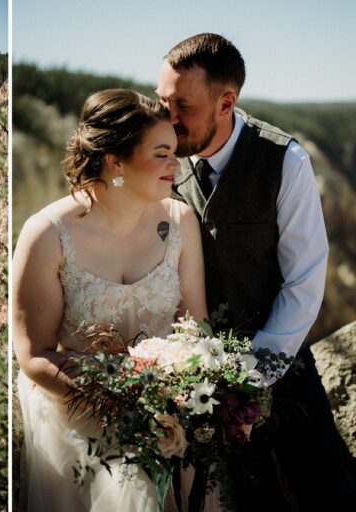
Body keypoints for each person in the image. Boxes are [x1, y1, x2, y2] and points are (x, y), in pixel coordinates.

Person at [159, 33, 356, 510]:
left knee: (326, 491)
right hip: (193, 378)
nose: (168, 119)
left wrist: (252, 376)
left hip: (279, 365)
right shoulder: (166, 159)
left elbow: (305, 282)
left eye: (182, 105)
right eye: (162, 102)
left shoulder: (285, 160)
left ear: (226, 101)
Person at [12, 89, 213, 511]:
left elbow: (196, 327)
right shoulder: (47, 235)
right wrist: (122, 405)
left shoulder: (180, 221)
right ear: (115, 161)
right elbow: (34, 355)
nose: (176, 165)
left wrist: (173, 399)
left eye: (175, 151)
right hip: (80, 406)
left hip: (169, 408)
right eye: (161, 153)